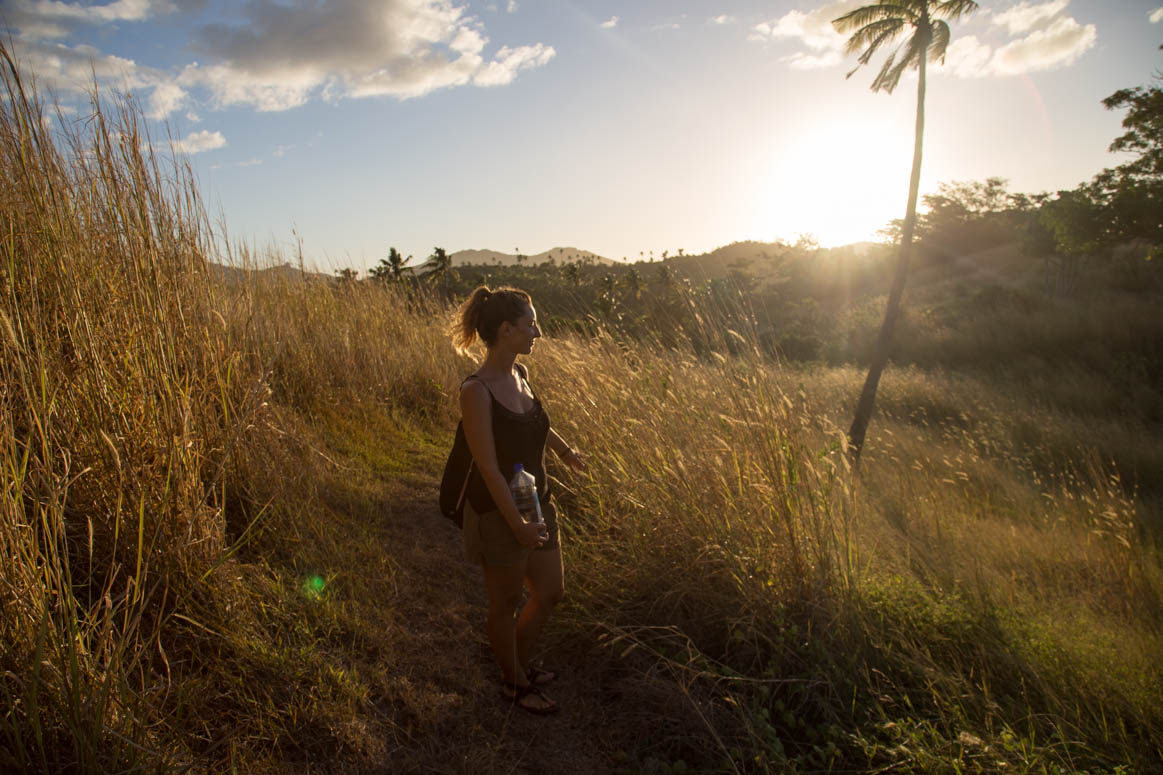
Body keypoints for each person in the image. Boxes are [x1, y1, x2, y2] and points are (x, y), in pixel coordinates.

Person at [449, 285, 587, 715]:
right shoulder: (477, 391)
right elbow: (488, 468)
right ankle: (513, 683)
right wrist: (517, 525)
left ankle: (517, 663)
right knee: (506, 603)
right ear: (506, 330)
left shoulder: (520, 376)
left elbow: (535, 422)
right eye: (530, 325)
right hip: (499, 514)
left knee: (550, 593)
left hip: (538, 501)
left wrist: (565, 452)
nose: (538, 333)